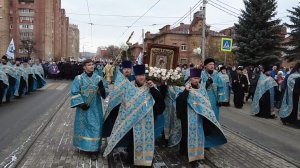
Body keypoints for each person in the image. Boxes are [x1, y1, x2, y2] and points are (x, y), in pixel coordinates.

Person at [104, 64, 165, 167]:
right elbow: (122, 101)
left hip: (148, 120)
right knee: (133, 141)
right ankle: (132, 159)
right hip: (133, 120)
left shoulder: (150, 87)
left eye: (143, 75)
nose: (142, 77)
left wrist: (153, 89)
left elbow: (161, 103)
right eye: (139, 75)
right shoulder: (130, 87)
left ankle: (146, 160)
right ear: (135, 76)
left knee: (147, 141)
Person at [176, 68, 227, 164]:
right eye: (194, 78)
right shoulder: (184, 88)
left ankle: (197, 154)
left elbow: (206, 103)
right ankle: (187, 153)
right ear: (190, 78)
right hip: (187, 116)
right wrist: (186, 92)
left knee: (199, 136)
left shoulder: (202, 90)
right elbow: (179, 102)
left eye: (198, 78)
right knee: (187, 135)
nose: (196, 80)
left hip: (199, 117)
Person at [70, 59, 108, 160]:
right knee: (83, 127)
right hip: (83, 109)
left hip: (95, 108)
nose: (92, 66)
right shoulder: (78, 79)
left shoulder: (99, 78)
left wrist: (102, 88)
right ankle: (84, 146)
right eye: (89, 65)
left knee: (95, 127)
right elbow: (74, 92)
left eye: (92, 64)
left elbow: (105, 95)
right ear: (84, 67)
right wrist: (81, 104)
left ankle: (94, 150)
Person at [103, 60, 135, 139]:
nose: (127, 70)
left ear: (131, 69)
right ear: (122, 69)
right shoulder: (118, 80)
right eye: (125, 69)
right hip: (118, 108)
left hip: (131, 108)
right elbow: (113, 94)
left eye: (128, 68)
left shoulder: (134, 79)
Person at [279, 62, 300, 128]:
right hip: (293, 95)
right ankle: (287, 119)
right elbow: (293, 86)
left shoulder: (294, 75)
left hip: (294, 95)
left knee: (293, 109)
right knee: (293, 109)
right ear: (298, 69)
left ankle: (289, 120)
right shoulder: (293, 76)